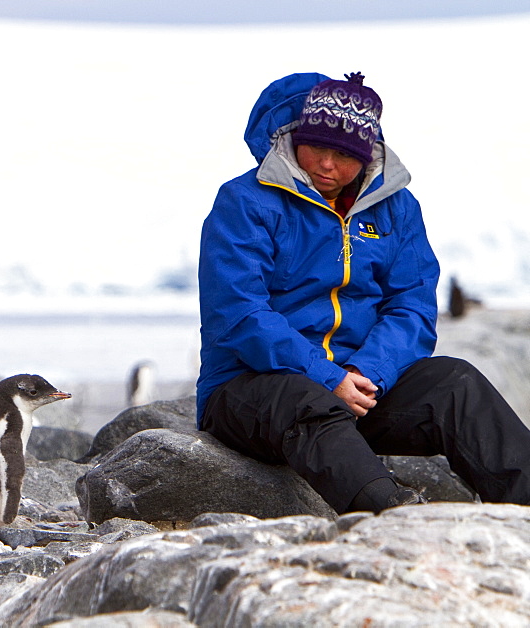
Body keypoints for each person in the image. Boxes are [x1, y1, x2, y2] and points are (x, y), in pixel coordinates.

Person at [196, 71, 530, 514]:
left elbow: (411, 305)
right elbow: (239, 313)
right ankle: (394, 515)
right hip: (250, 391)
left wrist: (366, 373)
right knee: (306, 398)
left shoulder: (397, 207)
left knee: (455, 383)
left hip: (356, 389)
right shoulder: (246, 201)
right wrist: (326, 376)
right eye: (316, 147)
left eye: (344, 154)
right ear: (297, 137)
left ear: (368, 153)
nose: (327, 164)